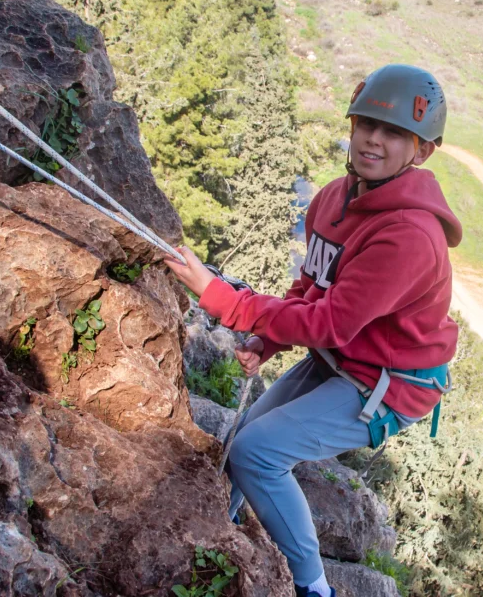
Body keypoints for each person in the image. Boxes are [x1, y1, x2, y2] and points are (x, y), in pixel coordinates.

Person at [164, 63, 462, 597]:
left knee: (258, 451)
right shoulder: (331, 198)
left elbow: (330, 320)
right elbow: (312, 286)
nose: (373, 138)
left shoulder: (410, 236)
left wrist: (222, 300)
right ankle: (219, 539)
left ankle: (312, 588)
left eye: (394, 132)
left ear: (421, 151)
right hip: (343, 359)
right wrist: (271, 338)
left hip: (388, 386)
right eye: (366, 123)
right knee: (242, 443)